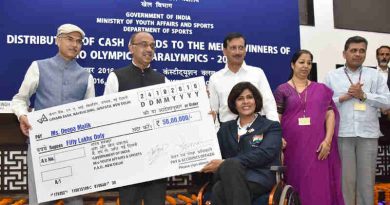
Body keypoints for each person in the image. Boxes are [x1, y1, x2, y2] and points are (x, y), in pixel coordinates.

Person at [11, 24, 95, 205]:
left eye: (79, 41)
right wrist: (22, 115)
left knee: (75, 201)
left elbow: (91, 115)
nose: (75, 45)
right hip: (41, 148)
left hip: (74, 150)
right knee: (41, 201)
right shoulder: (38, 67)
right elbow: (19, 100)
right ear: (57, 41)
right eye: (69, 39)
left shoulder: (86, 76)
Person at [324, 36, 390, 205]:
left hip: (368, 134)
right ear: (344, 53)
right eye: (353, 50)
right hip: (343, 134)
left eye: (362, 51)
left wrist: (364, 96)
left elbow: (387, 101)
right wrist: (344, 98)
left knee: (367, 182)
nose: (358, 54)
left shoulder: (374, 75)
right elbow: (324, 104)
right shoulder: (332, 76)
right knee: (346, 181)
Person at [104, 31, 167, 205]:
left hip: (156, 157)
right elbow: (106, 117)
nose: (149, 49)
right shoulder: (116, 77)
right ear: (131, 48)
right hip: (128, 156)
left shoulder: (163, 80)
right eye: (144, 44)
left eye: (152, 46)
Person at [274, 50, 344, 205]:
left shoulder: (321, 89)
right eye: (301, 62)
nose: (305, 66)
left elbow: (330, 114)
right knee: (297, 183)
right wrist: (279, 138)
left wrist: (327, 141)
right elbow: (276, 118)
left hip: (318, 147)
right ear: (292, 65)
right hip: (292, 147)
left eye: (309, 62)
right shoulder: (282, 90)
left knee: (318, 185)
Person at [201, 82, 282, 205]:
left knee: (219, 188)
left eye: (249, 97)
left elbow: (265, 153)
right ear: (234, 103)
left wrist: (227, 163)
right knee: (222, 183)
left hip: (258, 178)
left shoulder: (271, 126)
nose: (245, 102)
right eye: (240, 99)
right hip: (228, 178)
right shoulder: (225, 129)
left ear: (256, 101)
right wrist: (206, 126)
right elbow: (213, 153)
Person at [208, 32, 278, 124]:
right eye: (233, 48)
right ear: (224, 51)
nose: (237, 52)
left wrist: (275, 130)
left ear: (245, 51)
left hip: (256, 130)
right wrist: (218, 133)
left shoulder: (257, 73)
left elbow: (269, 105)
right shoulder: (215, 78)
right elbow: (212, 111)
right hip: (227, 132)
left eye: (241, 48)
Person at [376, 45, 390, 145]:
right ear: (377, 56)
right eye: (381, 54)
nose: (384, 57)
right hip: (373, 116)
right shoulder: (368, 73)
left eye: (387, 54)